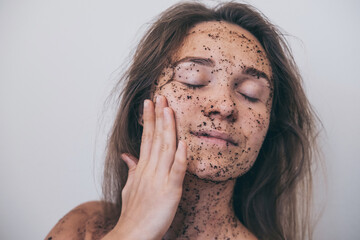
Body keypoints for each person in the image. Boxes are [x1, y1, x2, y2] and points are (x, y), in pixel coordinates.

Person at [45, 1, 321, 240]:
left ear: (268, 126)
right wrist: (132, 231)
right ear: (143, 107)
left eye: (251, 94)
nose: (224, 106)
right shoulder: (86, 226)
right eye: (193, 79)